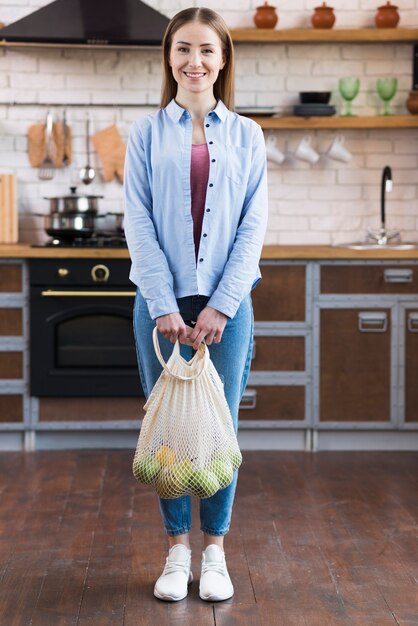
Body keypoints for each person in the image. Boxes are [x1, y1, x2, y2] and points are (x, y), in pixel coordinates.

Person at [124, 6, 268, 603]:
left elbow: (252, 227)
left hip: (224, 308)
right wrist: (162, 303)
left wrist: (222, 306)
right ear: (169, 58)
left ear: (223, 59)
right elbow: (136, 219)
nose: (194, 61)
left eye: (206, 50)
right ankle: (176, 547)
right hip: (161, 305)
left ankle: (216, 552)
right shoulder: (145, 134)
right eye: (183, 49)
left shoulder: (248, 135)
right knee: (170, 430)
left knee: (218, 427)